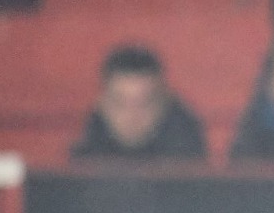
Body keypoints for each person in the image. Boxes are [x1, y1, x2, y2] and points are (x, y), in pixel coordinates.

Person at [71, 45, 207, 161]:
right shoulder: (78, 167)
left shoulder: (192, 169)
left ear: (164, 105)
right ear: (101, 104)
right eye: (119, 103)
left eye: (145, 104)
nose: (132, 116)